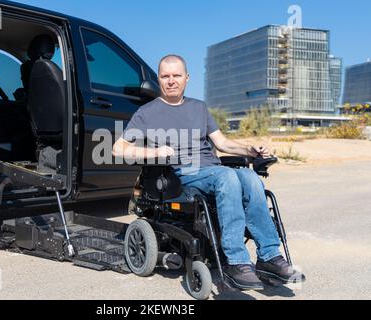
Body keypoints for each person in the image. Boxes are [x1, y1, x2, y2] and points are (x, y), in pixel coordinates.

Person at [112, 54, 305, 290]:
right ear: (159, 79)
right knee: (227, 177)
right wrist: (155, 152)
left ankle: (269, 257)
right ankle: (236, 262)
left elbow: (222, 143)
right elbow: (118, 148)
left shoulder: (199, 108)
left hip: (212, 170)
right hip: (181, 174)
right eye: (165, 76)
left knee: (250, 177)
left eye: (176, 75)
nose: (171, 80)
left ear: (186, 78)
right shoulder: (147, 112)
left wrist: (250, 149)